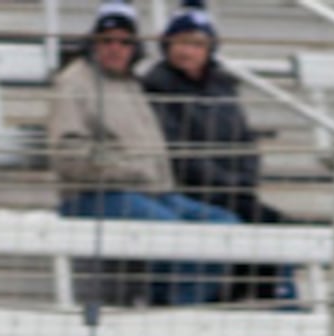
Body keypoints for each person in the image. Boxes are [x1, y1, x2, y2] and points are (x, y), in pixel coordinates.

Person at [50, 2, 237, 309]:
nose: (115, 48)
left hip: (151, 191)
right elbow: (69, 154)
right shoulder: (73, 83)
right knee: (173, 234)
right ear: (93, 43)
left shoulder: (131, 83)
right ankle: (167, 309)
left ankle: (182, 307)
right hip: (95, 193)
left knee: (225, 226)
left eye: (124, 41)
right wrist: (126, 170)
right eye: (106, 40)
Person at [143, 8, 287, 306]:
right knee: (249, 221)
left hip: (229, 187)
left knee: (275, 223)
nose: (188, 51)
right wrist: (227, 183)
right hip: (189, 187)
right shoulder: (156, 88)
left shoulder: (223, 87)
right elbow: (176, 152)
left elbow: (245, 142)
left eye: (197, 44)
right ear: (167, 45)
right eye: (181, 42)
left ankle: (265, 301)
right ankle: (243, 299)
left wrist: (244, 179)